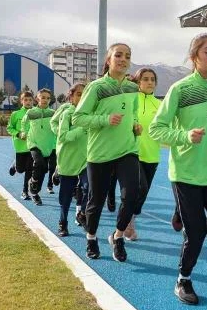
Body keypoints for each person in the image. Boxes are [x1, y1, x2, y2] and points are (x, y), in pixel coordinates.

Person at [149, 33, 207, 305]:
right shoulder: (180, 89)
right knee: (196, 233)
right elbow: (157, 129)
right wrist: (185, 136)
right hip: (187, 173)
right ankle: (183, 279)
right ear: (194, 58)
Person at [72, 42, 143, 262]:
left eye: (127, 56)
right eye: (118, 55)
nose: (123, 59)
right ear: (108, 60)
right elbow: (78, 118)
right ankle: (91, 238)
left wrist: (135, 125)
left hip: (127, 150)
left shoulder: (133, 87)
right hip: (100, 153)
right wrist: (104, 120)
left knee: (133, 193)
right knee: (96, 201)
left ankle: (118, 236)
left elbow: (131, 113)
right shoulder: (96, 87)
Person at [50, 83, 88, 237]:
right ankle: (63, 222)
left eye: (85, 94)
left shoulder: (90, 114)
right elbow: (63, 135)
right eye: (79, 94)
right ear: (71, 97)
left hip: (87, 159)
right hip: (68, 158)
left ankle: (82, 214)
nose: (82, 97)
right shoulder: (67, 112)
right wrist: (80, 129)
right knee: (65, 197)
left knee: (90, 188)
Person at [130, 67, 163, 241]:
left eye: (152, 79)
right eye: (145, 79)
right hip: (132, 153)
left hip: (152, 155)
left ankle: (129, 220)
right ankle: (127, 224)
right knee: (139, 187)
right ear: (137, 82)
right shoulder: (131, 100)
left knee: (143, 192)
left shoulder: (159, 105)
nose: (149, 82)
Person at [21, 88, 56, 206]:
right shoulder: (31, 112)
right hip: (34, 143)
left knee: (44, 170)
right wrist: (23, 132)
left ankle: (35, 192)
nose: (45, 100)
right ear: (37, 98)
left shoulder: (53, 113)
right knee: (39, 163)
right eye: (43, 97)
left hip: (48, 146)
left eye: (47, 98)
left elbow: (57, 126)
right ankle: (33, 181)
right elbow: (24, 123)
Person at [7, 91, 34, 200]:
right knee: (21, 169)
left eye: (30, 100)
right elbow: (9, 128)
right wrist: (18, 134)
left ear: (33, 101)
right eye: (26, 100)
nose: (28, 102)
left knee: (29, 169)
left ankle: (25, 191)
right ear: (21, 101)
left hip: (32, 146)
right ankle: (15, 165)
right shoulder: (15, 114)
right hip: (20, 146)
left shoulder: (36, 113)